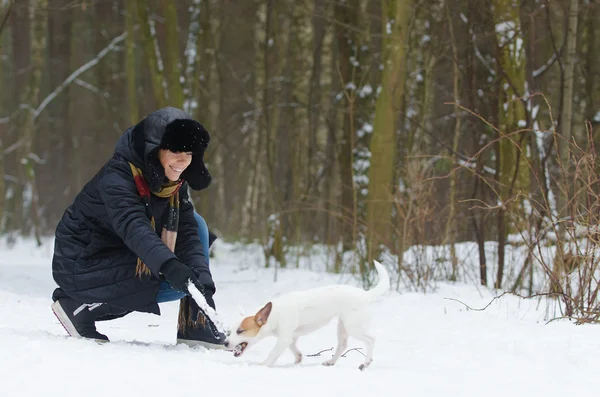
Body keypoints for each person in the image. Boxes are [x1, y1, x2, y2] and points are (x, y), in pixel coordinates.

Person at [50, 107, 226, 349]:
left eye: (189, 152)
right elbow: (134, 227)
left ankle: (196, 324)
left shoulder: (173, 184)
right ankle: (76, 305)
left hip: (120, 253)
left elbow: (186, 231)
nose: (183, 161)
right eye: (176, 151)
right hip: (82, 261)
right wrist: (169, 265)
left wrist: (202, 285)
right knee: (165, 279)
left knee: (196, 225)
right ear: (154, 150)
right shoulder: (117, 178)